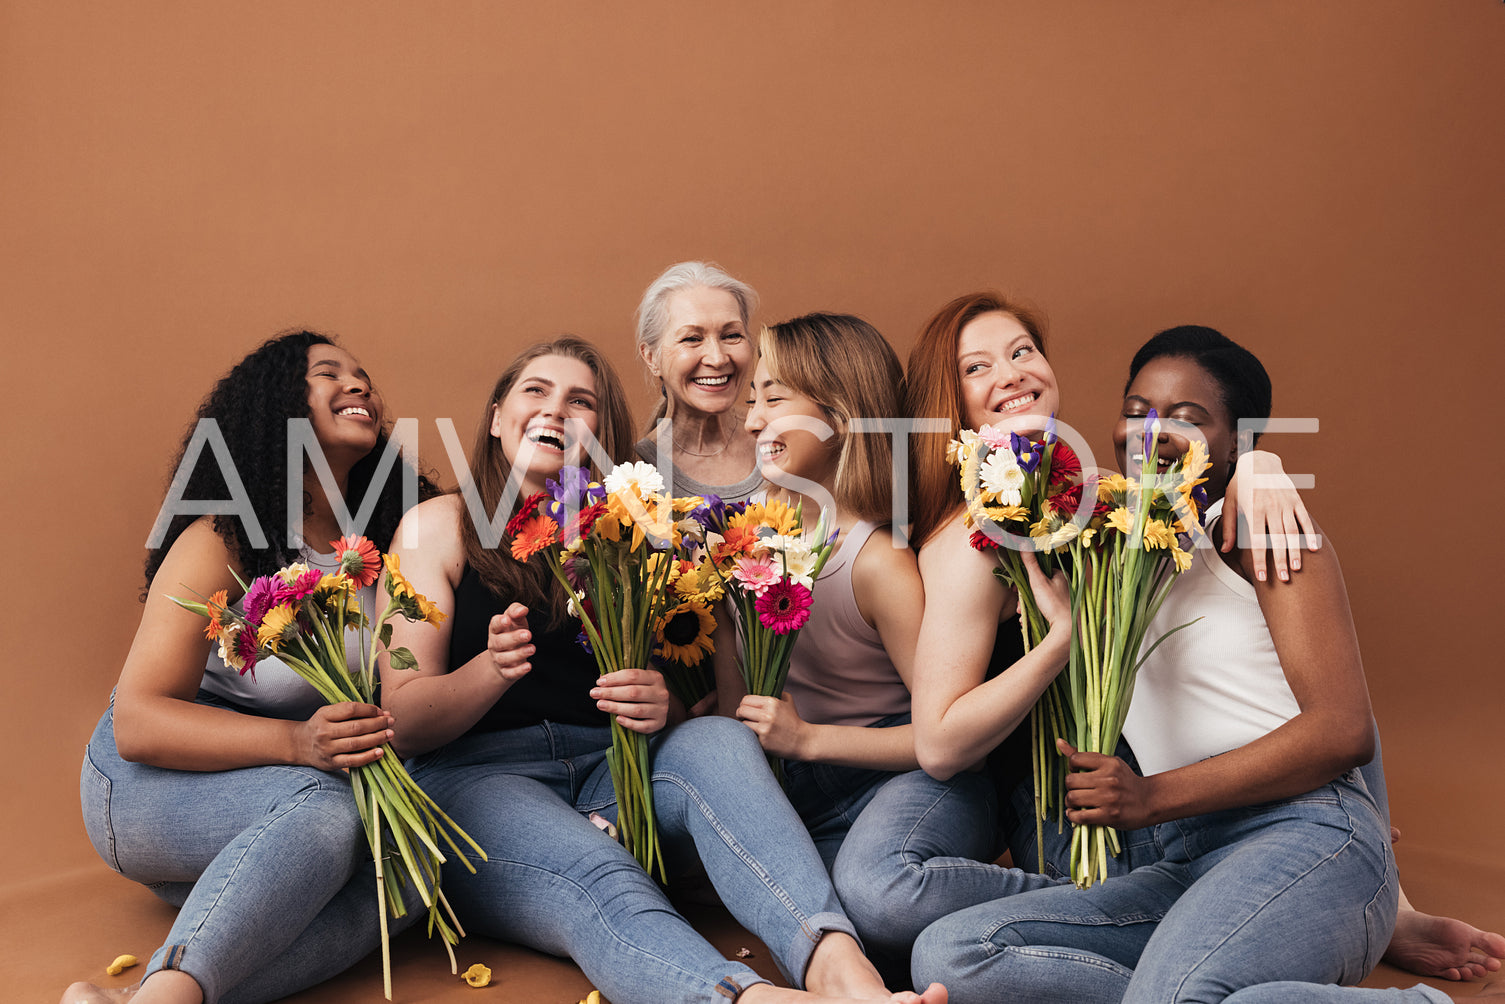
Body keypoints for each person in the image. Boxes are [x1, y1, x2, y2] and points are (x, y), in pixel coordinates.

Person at [908, 325, 1477, 1002]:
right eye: (1135, 411)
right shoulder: (1109, 535)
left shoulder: (1259, 536)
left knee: (1174, 996)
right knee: (951, 952)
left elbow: (1344, 731)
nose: (1150, 433)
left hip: (1303, 835)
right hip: (1181, 858)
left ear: (1234, 441)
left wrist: (1148, 798)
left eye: (1187, 417)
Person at [380, 335, 947, 1004]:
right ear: (500, 414)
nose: (556, 411)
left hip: (613, 774)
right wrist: (491, 671)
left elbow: (673, 707)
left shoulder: (630, 535)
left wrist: (662, 705)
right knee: (596, 872)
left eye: (580, 401)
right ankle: (754, 1000)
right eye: (536, 392)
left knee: (719, 739)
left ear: (604, 437)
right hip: (480, 785)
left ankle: (845, 976)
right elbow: (403, 722)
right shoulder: (434, 528)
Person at [65, 331, 436, 1004]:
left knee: (410, 870)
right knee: (326, 810)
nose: (359, 386)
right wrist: (299, 744)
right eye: (328, 374)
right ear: (277, 411)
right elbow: (138, 722)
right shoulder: (223, 539)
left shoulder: (382, 551)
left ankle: (149, 996)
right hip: (152, 784)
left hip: (277, 812)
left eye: (362, 376)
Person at [720, 313, 999, 965]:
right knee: (793, 904)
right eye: (751, 399)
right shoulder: (746, 543)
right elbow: (734, 703)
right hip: (809, 785)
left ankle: (1067, 903)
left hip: (910, 781)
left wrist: (809, 740)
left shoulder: (877, 562)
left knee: (878, 893)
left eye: (773, 398)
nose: (753, 419)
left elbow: (952, 746)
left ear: (838, 418)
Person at [634, 260, 764, 503]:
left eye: (732, 335)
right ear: (651, 358)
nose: (717, 358)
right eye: (692, 339)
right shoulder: (634, 473)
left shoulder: (780, 440)